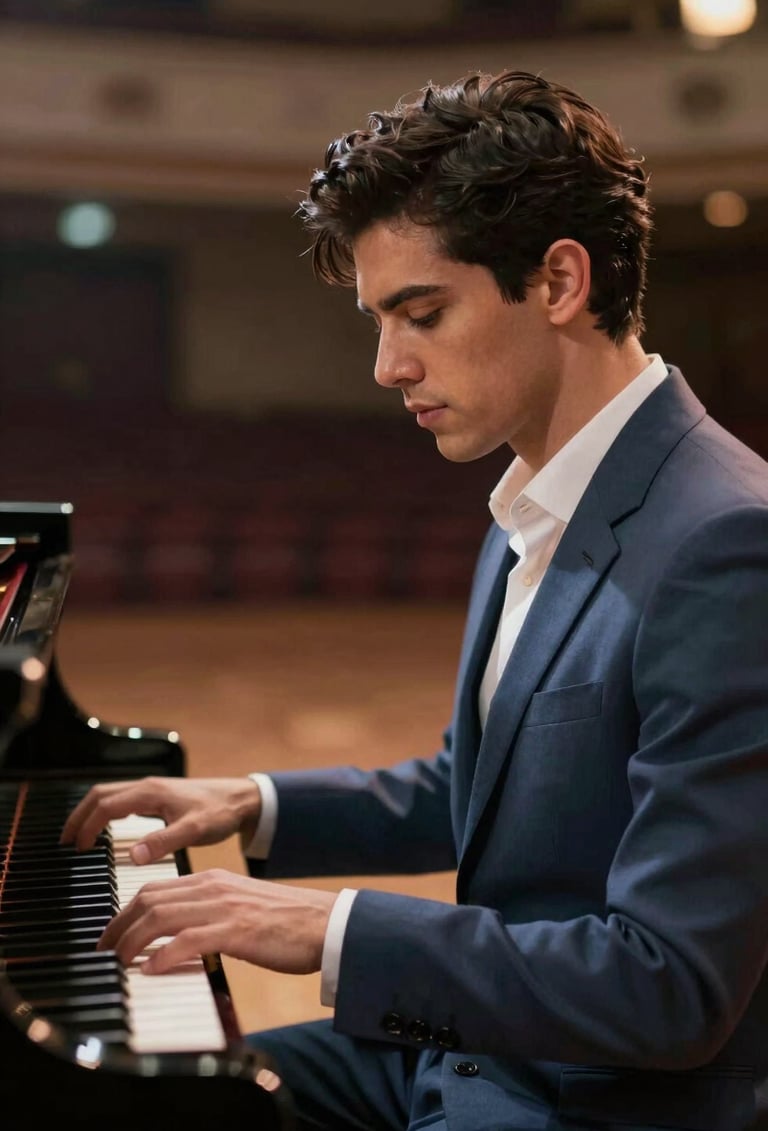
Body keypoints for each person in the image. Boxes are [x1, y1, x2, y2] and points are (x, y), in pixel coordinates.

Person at [59, 69, 768, 1131]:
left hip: (594, 1099)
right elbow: (493, 783)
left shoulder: (727, 544)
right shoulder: (540, 491)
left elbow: (669, 986)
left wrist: (328, 930)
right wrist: (255, 803)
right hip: (485, 1053)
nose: (388, 366)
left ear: (561, 282)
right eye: (378, 321)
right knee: (118, 1104)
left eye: (421, 313)